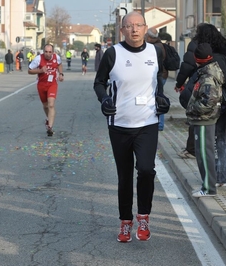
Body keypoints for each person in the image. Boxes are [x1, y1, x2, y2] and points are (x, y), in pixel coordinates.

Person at [93, 11, 170, 243]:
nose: (134, 29)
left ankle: (143, 216)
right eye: (129, 26)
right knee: (124, 176)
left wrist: (162, 99)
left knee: (146, 170)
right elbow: (99, 83)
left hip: (147, 123)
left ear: (145, 28)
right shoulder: (112, 53)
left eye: (138, 25)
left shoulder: (156, 52)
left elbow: (158, 82)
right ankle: (125, 222)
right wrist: (104, 100)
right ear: (122, 30)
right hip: (119, 125)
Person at [186, 43, 224, 197]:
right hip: (204, 119)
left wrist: (192, 108)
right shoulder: (208, 71)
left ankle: (209, 188)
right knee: (203, 153)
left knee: (204, 155)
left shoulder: (208, 77)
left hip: (204, 119)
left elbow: (208, 102)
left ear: (197, 59)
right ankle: (207, 186)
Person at [28, 44, 65, 137]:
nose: (48, 54)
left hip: (52, 84)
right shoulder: (38, 59)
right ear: (43, 51)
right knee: (45, 106)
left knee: (51, 104)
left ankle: (50, 127)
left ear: (53, 52)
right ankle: (48, 119)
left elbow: (59, 64)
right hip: (41, 84)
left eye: (50, 52)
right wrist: (40, 71)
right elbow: (29, 70)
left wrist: (61, 74)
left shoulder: (57, 57)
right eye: (46, 52)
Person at [145, 27, 168, 131]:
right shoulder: (158, 45)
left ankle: (159, 124)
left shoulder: (155, 47)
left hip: (159, 76)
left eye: (146, 35)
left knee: (159, 98)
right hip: (161, 75)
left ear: (149, 37)